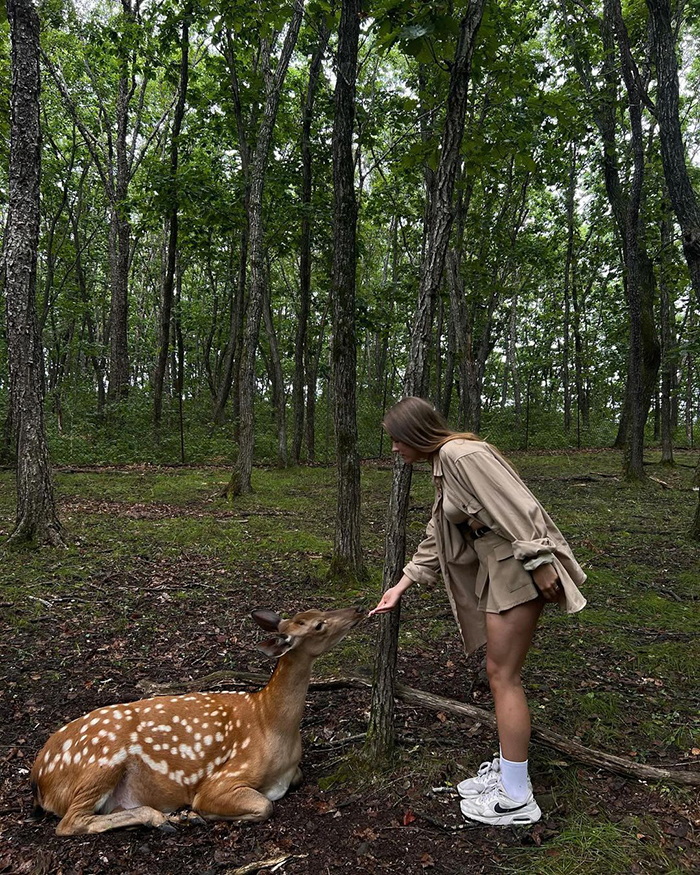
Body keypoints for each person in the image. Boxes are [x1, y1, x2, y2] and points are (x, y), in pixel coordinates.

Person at [370, 397, 586, 826]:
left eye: (396, 439)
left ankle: (517, 798)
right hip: (500, 567)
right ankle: (509, 773)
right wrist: (401, 585)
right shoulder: (444, 464)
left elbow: (517, 504)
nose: (393, 448)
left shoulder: (460, 454)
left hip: (515, 568)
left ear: (414, 433)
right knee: (499, 673)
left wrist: (541, 562)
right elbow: (439, 533)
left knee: (503, 675)